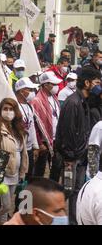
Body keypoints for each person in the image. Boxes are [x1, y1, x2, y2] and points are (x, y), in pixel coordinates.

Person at [55, 67, 101, 225]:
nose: (98, 86)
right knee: (67, 190)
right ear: (87, 83)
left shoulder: (84, 102)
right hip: (71, 159)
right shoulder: (73, 102)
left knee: (77, 191)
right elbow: (67, 132)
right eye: (96, 83)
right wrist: (71, 156)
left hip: (79, 158)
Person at [0, 98, 28, 225]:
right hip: (1, 174)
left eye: (11, 109)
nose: (8, 112)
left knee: (5, 206)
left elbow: (23, 152)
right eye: (5, 109)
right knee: (6, 206)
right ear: (0, 111)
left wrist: (22, 172)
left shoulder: (18, 129)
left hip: (14, 173)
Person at [30, 71, 62, 179]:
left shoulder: (54, 98)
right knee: (39, 170)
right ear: (45, 85)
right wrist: (39, 143)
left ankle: (51, 190)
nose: (56, 86)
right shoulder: (36, 101)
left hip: (55, 139)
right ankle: (37, 192)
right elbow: (34, 125)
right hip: (44, 142)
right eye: (53, 84)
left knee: (56, 168)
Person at [15, 78, 40, 180]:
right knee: (17, 176)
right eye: (29, 90)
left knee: (28, 175)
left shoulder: (30, 106)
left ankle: (23, 195)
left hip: (29, 148)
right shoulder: (14, 106)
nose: (32, 92)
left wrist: (35, 145)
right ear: (21, 91)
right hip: (18, 148)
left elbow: (32, 126)